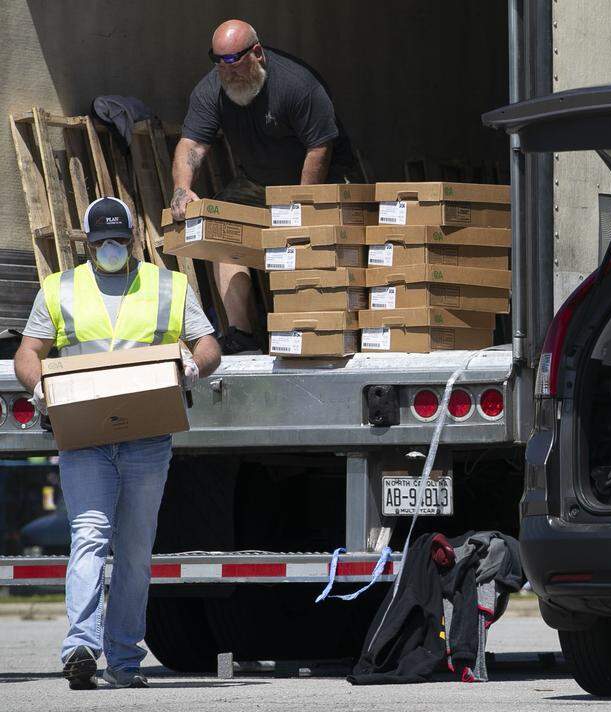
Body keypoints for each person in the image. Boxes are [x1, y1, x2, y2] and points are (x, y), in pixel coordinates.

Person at [14, 197, 221, 689]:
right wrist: (38, 385)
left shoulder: (167, 285)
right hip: (84, 437)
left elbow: (208, 343)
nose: (112, 248)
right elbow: (29, 351)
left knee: (134, 551)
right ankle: (81, 647)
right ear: (86, 243)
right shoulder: (59, 289)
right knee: (89, 535)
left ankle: (123, 661)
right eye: (102, 241)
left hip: (147, 438)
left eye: (121, 240)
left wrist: (194, 364)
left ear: (133, 238)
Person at [169, 19, 358, 353]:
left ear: (257, 53)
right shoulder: (211, 89)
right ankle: (242, 333)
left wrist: (300, 204)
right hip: (260, 181)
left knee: (322, 239)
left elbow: (319, 148)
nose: (228, 74)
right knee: (223, 229)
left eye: (235, 65)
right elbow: (192, 146)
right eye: (219, 64)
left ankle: (336, 328)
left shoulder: (297, 84)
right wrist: (182, 190)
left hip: (322, 179)